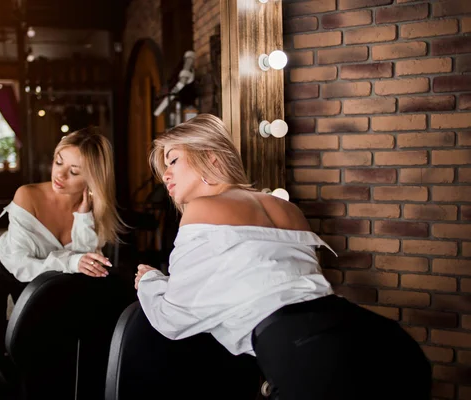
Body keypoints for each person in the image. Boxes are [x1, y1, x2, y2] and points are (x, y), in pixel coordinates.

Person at [134, 114, 431, 400]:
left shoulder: (201, 209)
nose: (166, 175)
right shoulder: (285, 207)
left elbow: (172, 317)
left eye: (173, 160)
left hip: (306, 349)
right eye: (163, 170)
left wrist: (149, 280)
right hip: (378, 338)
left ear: (211, 157)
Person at [0, 126, 123, 358]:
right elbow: (22, 265)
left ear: (93, 180)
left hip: (40, 274)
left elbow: (84, 266)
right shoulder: (27, 196)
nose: (59, 175)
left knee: (35, 342)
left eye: (74, 171)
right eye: (59, 162)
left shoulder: (95, 210)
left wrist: (83, 218)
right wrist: (71, 262)